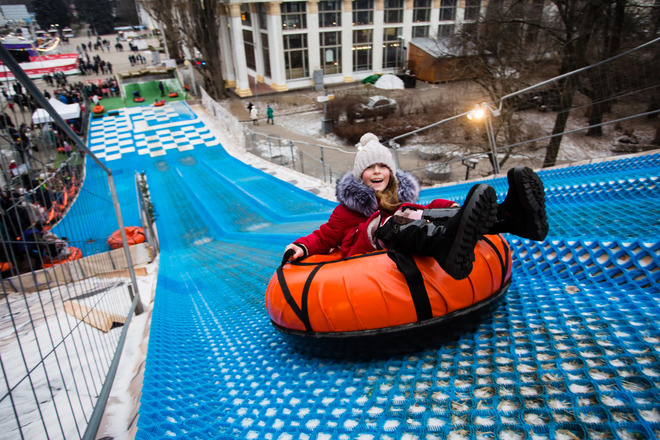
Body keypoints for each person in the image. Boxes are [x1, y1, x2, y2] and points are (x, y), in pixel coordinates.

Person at [284, 133, 548, 280]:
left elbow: (420, 211)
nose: (377, 173)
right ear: (359, 176)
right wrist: (301, 246)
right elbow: (325, 235)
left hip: (400, 233)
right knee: (389, 222)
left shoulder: (396, 199)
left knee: (427, 209)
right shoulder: (348, 210)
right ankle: (444, 242)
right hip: (362, 255)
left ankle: (510, 217)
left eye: (383, 167)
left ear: (391, 172)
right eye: (369, 169)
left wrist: (451, 209)